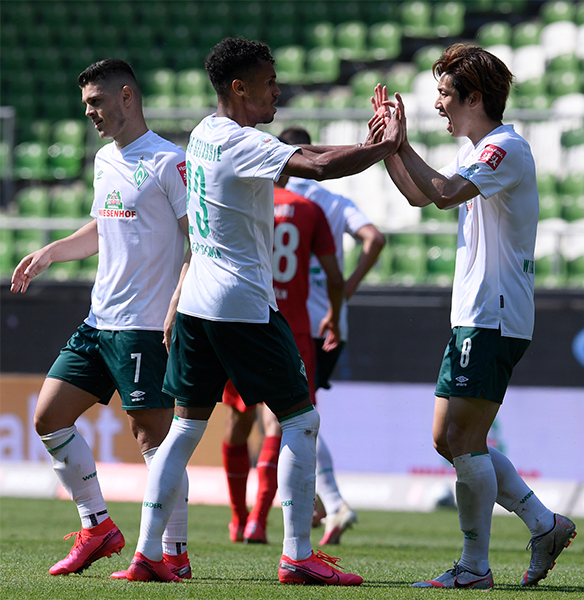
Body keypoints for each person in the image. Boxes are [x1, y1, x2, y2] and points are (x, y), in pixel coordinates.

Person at [124, 37, 401, 585]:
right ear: (239, 87)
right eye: (270, 82)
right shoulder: (241, 143)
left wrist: (366, 144)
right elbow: (317, 167)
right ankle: (298, 555)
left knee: (183, 429)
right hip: (242, 303)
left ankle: (149, 553)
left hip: (199, 302)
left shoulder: (205, 132)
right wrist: (386, 146)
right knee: (302, 419)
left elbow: (302, 157)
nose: (278, 90)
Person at [374, 44, 577, 590]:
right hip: (479, 315)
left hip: (495, 315)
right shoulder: (482, 150)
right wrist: (389, 149)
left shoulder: (504, 148)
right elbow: (421, 195)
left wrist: (402, 144)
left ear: (475, 97)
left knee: (460, 438)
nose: (438, 104)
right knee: (451, 439)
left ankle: (474, 566)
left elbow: (440, 193)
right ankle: (543, 524)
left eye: (444, 94)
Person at [10, 59, 192, 579]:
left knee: (154, 440)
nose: (89, 111)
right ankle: (98, 528)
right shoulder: (104, 160)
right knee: (48, 417)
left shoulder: (167, 161)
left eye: (96, 101)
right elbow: (100, 228)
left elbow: (196, 237)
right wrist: (52, 251)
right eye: (86, 103)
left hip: (144, 324)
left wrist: (178, 299)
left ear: (126, 97)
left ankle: (173, 551)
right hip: (98, 320)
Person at [222, 130, 344, 546]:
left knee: (237, 422)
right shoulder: (309, 210)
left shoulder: (242, 203)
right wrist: (334, 314)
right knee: (282, 424)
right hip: (290, 330)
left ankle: (238, 519)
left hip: (241, 323)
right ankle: (259, 518)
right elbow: (334, 276)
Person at [282, 125, 387, 545]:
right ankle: (321, 502)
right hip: (330, 322)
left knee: (293, 418)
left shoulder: (283, 200)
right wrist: (342, 294)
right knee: (300, 416)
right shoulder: (335, 200)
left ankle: (331, 500)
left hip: (293, 323)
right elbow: (374, 239)